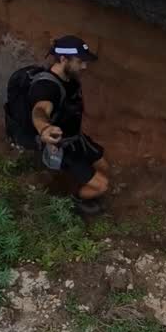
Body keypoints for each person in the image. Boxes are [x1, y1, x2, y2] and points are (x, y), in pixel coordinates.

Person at [27, 35, 110, 214]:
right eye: (80, 61)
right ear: (63, 59)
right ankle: (73, 201)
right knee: (102, 186)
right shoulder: (46, 87)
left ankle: (82, 183)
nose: (84, 66)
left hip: (75, 138)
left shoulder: (69, 78)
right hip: (61, 147)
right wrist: (44, 128)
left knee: (103, 166)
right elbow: (40, 110)